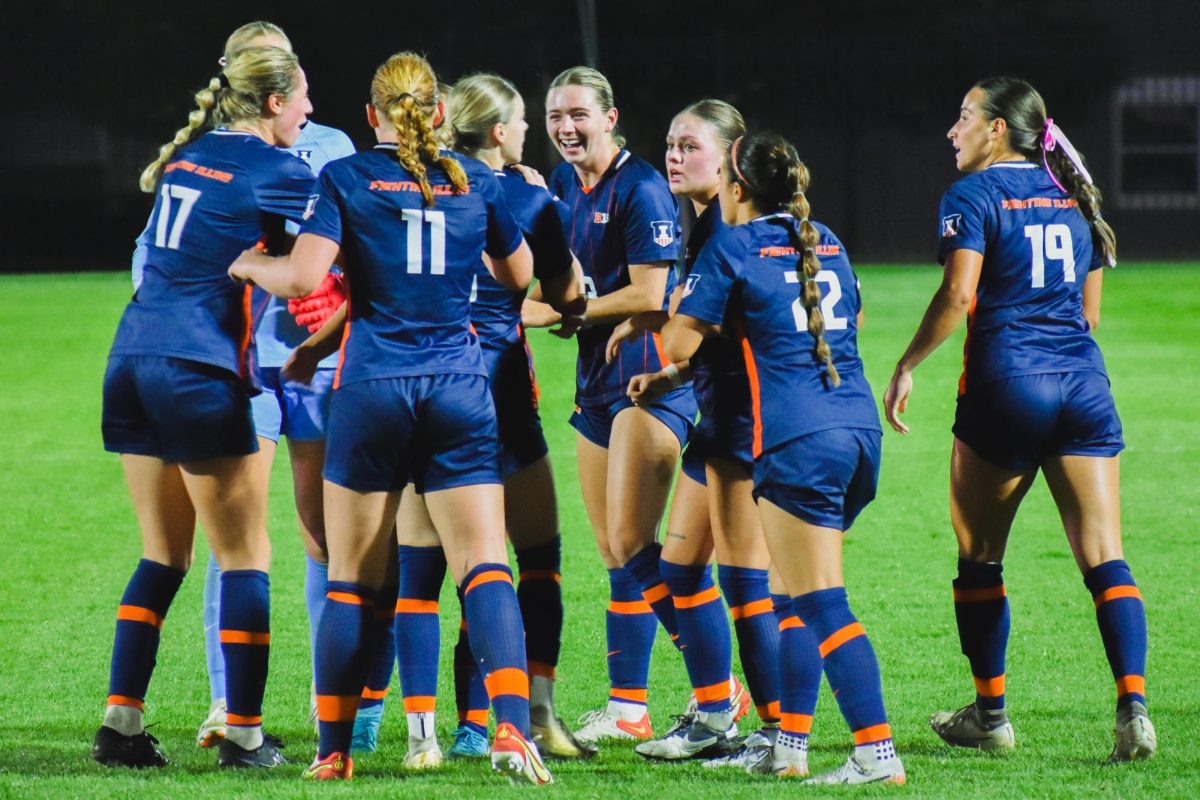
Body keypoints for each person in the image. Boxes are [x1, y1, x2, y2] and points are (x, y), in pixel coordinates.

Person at [229, 51, 553, 785]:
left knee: (351, 578)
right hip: (457, 388)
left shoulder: (345, 177)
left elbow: (307, 277)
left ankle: (334, 750)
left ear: (372, 115)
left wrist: (251, 268)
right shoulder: (474, 182)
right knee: (484, 563)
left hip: (374, 387)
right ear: (439, 114)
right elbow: (520, 275)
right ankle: (508, 726)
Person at [882, 77, 1155, 762]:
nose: (953, 130)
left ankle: (991, 715)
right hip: (1083, 386)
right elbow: (1089, 316)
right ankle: (1134, 710)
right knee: (1104, 554)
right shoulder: (1072, 195)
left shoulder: (972, 195)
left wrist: (908, 362)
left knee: (980, 558)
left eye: (964, 116)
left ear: (998, 127)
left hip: (1008, 386)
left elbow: (959, 294)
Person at [128, 20, 363, 754]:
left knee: (325, 539)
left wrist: (329, 301)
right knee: (233, 538)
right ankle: (229, 706)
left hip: (321, 366)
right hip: (236, 369)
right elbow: (150, 257)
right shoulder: (221, 159)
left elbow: (357, 253)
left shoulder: (331, 149)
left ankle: (340, 710)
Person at [93, 44, 314, 770]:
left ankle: (121, 726)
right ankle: (245, 736)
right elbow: (318, 267)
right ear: (275, 103)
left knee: (163, 554)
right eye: (303, 97)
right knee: (245, 555)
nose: (310, 111)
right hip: (197, 365)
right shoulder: (282, 167)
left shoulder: (188, 159)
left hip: (131, 355)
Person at [662, 131, 906, 784]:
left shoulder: (733, 245)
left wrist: (688, 308)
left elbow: (674, 346)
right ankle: (789, 748)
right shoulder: (824, 238)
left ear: (736, 190)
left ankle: (875, 753)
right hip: (856, 429)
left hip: (799, 440)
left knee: (821, 601)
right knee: (791, 594)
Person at [385, 72, 591, 765]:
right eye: (524, 121)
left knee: (420, 571)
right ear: (500, 133)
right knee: (528, 560)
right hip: (499, 393)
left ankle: (423, 734)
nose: (531, 132)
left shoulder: (412, 184)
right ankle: (527, 714)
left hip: (420, 384)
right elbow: (569, 296)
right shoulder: (527, 195)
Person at [605, 100, 784, 765]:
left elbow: (708, 330)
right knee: (678, 564)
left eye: (690, 146)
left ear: (733, 158)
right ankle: (716, 713)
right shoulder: (708, 224)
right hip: (721, 418)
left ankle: (775, 731)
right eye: (671, 145)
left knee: (750, 584)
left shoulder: (729, 232)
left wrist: (663, 335)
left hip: (751, 427)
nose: (674, 157)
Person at [523, 66, 696, 745]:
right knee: (616, 551)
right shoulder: (564, 183)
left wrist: (561, 312)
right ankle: (629, 709)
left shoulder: (644, 189)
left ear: (610, 116)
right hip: (597, 380)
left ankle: (720, 691)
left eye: (578, 115)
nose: (567, 127)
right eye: (556, 116)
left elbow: (653, 295)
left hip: (646, 379)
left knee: (633, 546)